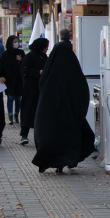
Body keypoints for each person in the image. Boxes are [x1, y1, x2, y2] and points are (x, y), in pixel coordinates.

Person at [32, 29, 95, 173]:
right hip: (68, 112)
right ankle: (69, 161)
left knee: (53, 137)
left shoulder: (50, 66)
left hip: (51, 112)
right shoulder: (71, 64)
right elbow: (81, 88)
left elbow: (42, 85)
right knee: (71, 136)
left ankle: (58, 163)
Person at [19, 38, 48, 145]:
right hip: (30, 88)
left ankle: (40, 135)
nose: (46, 49)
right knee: (28, 110)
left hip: (41, 88)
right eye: (45, 47)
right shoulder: (30, 57)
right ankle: (24, 135)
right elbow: (25, 70)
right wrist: (38, 72)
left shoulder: (45, 57)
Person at [0, 35, 24, 127]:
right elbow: (1, 67)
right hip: (9, 79)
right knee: (10, 97)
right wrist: (2, 77)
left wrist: (21, 60)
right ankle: (10, 116)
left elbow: (24, 65)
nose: (16, 43)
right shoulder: (5, 54)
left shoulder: (20, 52)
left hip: (19, 79)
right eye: (14, 42)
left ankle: (16, 115)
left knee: (18, 98)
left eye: (17, 41)